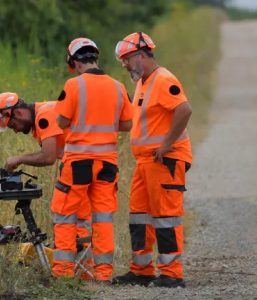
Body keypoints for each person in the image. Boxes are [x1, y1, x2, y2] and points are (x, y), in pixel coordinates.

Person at [112, 32, 193, 288]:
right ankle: (142, 270)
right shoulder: (142, 83)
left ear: (143, 55)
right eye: (122, 60)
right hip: (145, 162)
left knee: (165, 216)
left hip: (165, 160)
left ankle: (172, 273)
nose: (124, 64)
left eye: (127, 59)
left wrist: (167, 145)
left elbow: (184, 109)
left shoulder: (163, 79)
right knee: (139, 216)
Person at [50, 37, 134, 282]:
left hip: (78, 164)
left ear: (74, 63)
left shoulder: (74, 86)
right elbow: (127, 124)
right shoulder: (118, 87)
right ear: (95, 58)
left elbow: (61, 122)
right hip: (107, 164)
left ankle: (63, 274)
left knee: (66, 215)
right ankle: (104, 274)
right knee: (103, 217)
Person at [0, 92, 94, 276]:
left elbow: (48, 157)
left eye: (12, 125)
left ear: (18, 113)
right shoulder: (40, 117)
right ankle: (84, 271)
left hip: (80, 165)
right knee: (79, 218)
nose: (15, 131)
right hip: (83, 164)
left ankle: (67, 272)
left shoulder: (44, 116)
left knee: (65, 215)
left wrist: (20, 158)